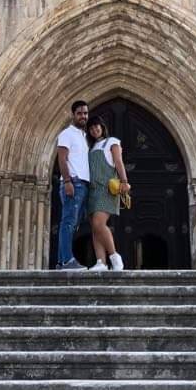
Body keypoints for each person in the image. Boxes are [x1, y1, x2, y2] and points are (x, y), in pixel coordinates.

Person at [86, 115, 130, 272]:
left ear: (102, 126)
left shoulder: (112, 141)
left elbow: (118, 162)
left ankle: (114, 257)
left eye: (96, 126)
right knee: (95, 228)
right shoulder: (90, 147)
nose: (94, 130)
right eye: (91, 128)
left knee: (99, 223)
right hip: (92, 189)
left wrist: (124, 181)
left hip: (106, 188)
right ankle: (101, 262)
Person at [55, 100, 91, 270]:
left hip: (82, 184)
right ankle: (67, 260)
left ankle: (62, 261)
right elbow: (62, 158)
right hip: (73, 182)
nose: (83, 116)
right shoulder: (66, 134)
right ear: (73, 115)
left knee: (73, 222)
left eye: (85, 113)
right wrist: (68, 181)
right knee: (68, 222)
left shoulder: (83, 136)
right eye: (80, 113)